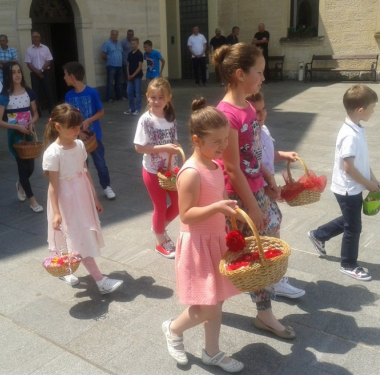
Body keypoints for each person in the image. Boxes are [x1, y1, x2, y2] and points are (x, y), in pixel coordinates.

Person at [213, 43, 295, 339]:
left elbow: (253, 155)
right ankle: (261, 312)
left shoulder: (247, 106)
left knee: (267, 237)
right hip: (239, 195)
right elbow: (232, 167)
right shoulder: (226, 114)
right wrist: (254, 206)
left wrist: (267, 176)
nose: (263, 77)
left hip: (255, 187)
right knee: (255, 252)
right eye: (258, 72)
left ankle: (255, 306)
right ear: (239, 74)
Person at [162, 98, 244, 372]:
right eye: (216, 142)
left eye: (225, 140)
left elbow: (219, 197)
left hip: (215, 242)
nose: (223, 147)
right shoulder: (190, 173)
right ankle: (173, 329)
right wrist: (217, 207)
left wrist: (230, 211)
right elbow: (185, 215)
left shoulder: (215, 166)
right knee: (205, 306)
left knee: (216, 302)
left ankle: (212, 352)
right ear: (196, 140)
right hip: (197, 246)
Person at [42, 103, 123, 292]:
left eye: (78, 126)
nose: (77, 130)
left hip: (82, 195)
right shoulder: (53, 153)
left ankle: (65, 268)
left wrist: (95, 198)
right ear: (58, 127)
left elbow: (85, 172)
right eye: (72, 127)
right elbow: (53, 186)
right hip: (66, 200)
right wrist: (55, 212)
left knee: (79, 234)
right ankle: (100, 281)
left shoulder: (79, 145)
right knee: (78, 236)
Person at [308, 84, 380, 281]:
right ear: (360, 110)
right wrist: (367, 184)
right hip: (348, 188)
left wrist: (372, 178)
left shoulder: (357, 128)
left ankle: (318, 234)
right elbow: (348, 168)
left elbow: (362, 160)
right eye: (372, 107)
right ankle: (348, 264)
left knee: (350, 220)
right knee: (354, 227)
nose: (373, 111)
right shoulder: (349, 135)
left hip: (354, 186)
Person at [246, 92, 305, 299]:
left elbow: (268, 156)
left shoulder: (263, 130)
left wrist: (284, 155)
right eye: (255, 111)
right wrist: (264, 189)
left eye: (262, 109)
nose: (260, 115)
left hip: (268, 190)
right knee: (269, 233)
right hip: (259, 192)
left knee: (274, 226)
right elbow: (249, 167)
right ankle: (273, 279)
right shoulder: (248, 136)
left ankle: (272, 277)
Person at [134, 78, 179, 259]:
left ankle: (158, 228)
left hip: (171, 170)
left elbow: (173, 140)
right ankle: (160, 242)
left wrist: (175, 147)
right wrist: (164, 148)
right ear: (147, 97)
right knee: (160, 207)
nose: (156, 101)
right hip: (153, 171)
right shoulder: (146, 120)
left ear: (168, 98)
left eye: (161, 97)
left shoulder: (171, 118)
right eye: (153, 97)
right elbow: (139, 147)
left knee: (178, 204)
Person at [63, 61, 116, 200]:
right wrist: (79, 132)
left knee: (101, 164)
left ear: (72, 76)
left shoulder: (92, 93)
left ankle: (106, 186)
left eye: (65, 75)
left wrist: (88, 120)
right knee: (81, 165)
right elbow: (69, 117)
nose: (64, 78)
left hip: (94, 136)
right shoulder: (68, 96)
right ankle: (85, 189)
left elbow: (100, 111)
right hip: (77, 138)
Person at [0, 62, 43, 213]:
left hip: (29, 134)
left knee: (31, 167)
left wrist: (32, 122)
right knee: (22, 168)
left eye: (19, 71)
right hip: (15, 136)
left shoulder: (29, 93)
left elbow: (35, 113)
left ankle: (21, 184)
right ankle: (32, 200)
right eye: (13, 72)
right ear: (8, 76)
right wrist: (16, 126)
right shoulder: (5, 97)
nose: (17, 75)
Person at [25, 31, 55, 114]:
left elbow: (49, 61)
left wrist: (41, 70)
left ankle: (51, 110)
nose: (35, 38)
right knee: (36, 93)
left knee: (48, 91)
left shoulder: (45, 48)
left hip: (45, 72)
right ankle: (37, 112)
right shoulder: (29, 50)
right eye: (33, 37)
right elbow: (28, 63)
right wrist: (37, 72)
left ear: (40, 38)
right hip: (34, 73)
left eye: (36, 37)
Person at [101, 30, 124, 103]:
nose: (114, 36)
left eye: (116, 35)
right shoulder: (107, 43)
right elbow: (103, 55)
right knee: (110, 83)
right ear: (111, 34)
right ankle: (109, 98)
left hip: (119, 66)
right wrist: (109, 60)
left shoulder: (119, 43)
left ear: (117, 35)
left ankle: (119, 97)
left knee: (118, 82)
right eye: (113, 35)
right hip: (111, 66)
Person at [124, 37, 143, 116]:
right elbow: (128, 65)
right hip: (130, 76)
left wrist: (133, 75)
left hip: (137, 76)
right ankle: (132, 108)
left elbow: (140, 66)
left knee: (138, 93)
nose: (133, 45)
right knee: (129, 92)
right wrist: (128, 75)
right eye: (131, 44)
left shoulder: (139, 54)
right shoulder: (129, 54)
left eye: (134, 44)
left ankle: (138, 108)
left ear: (137, 44)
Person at [120, 29, 135, 94]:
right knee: (127, 79)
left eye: (131, 35)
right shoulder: (123, 42)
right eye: (129, 34)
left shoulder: (134, 42)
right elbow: (120, 52)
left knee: (134, 78)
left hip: (133, 64)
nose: (130, 36)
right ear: (127, 34)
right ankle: (127, 94)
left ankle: (134, 93)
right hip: (126, 63)